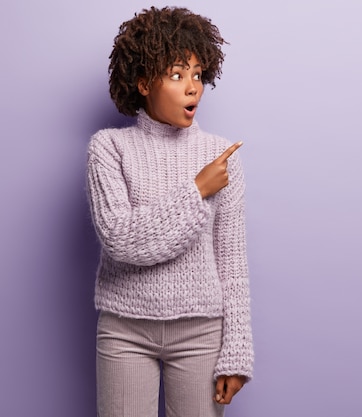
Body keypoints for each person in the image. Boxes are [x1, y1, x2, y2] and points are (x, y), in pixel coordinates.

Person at [86, 6, 253, 417]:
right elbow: (120, 238)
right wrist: (197, 191)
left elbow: (231, 260)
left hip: (202, 334)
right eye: (177, 74)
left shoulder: (220, 155)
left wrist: (236, 352)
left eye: (197, 75)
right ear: (143, 83)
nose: (192, 87)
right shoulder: (108, 149)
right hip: (124, 330)